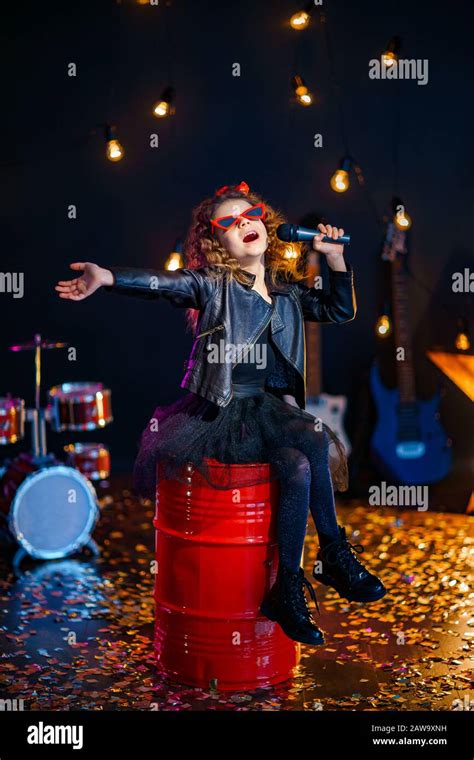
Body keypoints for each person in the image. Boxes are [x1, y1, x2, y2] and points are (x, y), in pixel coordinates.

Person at [55, 180, 386, 647]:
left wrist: (334, 259)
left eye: (250, 214)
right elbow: (162, 284)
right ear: (217, 243)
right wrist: (107, 277)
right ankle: (330, 555)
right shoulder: (213, 285)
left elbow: (337, 308)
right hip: (223, 414)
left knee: (300, 457)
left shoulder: (285, 290)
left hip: (271, 412)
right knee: (309, 440)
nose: (244, 223)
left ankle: (292, 583)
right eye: (229, 222)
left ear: (267, 225)